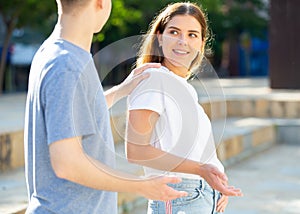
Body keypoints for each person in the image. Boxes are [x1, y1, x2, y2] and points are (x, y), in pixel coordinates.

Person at [24, 0, 190, 213]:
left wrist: (122, 90)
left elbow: (72, 114)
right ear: (101, 3)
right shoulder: (66, 66)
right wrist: (142, 186)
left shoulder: (57, 53)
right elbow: (67, 163)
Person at [126, 2, 242, 213]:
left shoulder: (183, 86)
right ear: (159, 37)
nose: (183, 42)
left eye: (192, 35)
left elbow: (197, 150)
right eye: (174, 32)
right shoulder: (154, 78)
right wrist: (201, 171)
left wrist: (216, 182)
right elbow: (136, 151)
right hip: (181, 196)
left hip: (206, 196)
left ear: (201, 43)